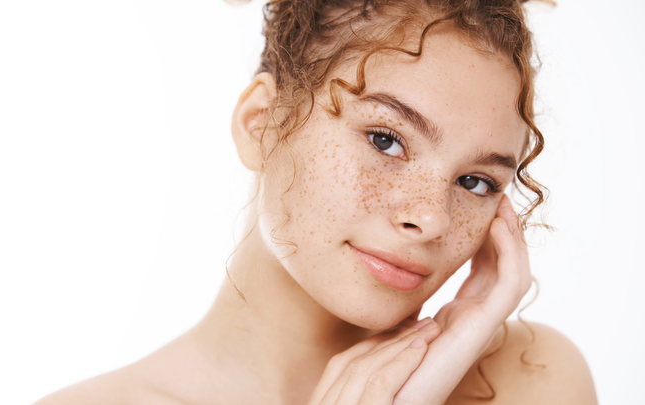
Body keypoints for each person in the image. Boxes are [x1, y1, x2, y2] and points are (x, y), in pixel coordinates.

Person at [35, 0, 597, 403]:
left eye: (476, 182)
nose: (428, 218)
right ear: (261, 124)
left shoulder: (534, 381)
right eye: (386, 140)